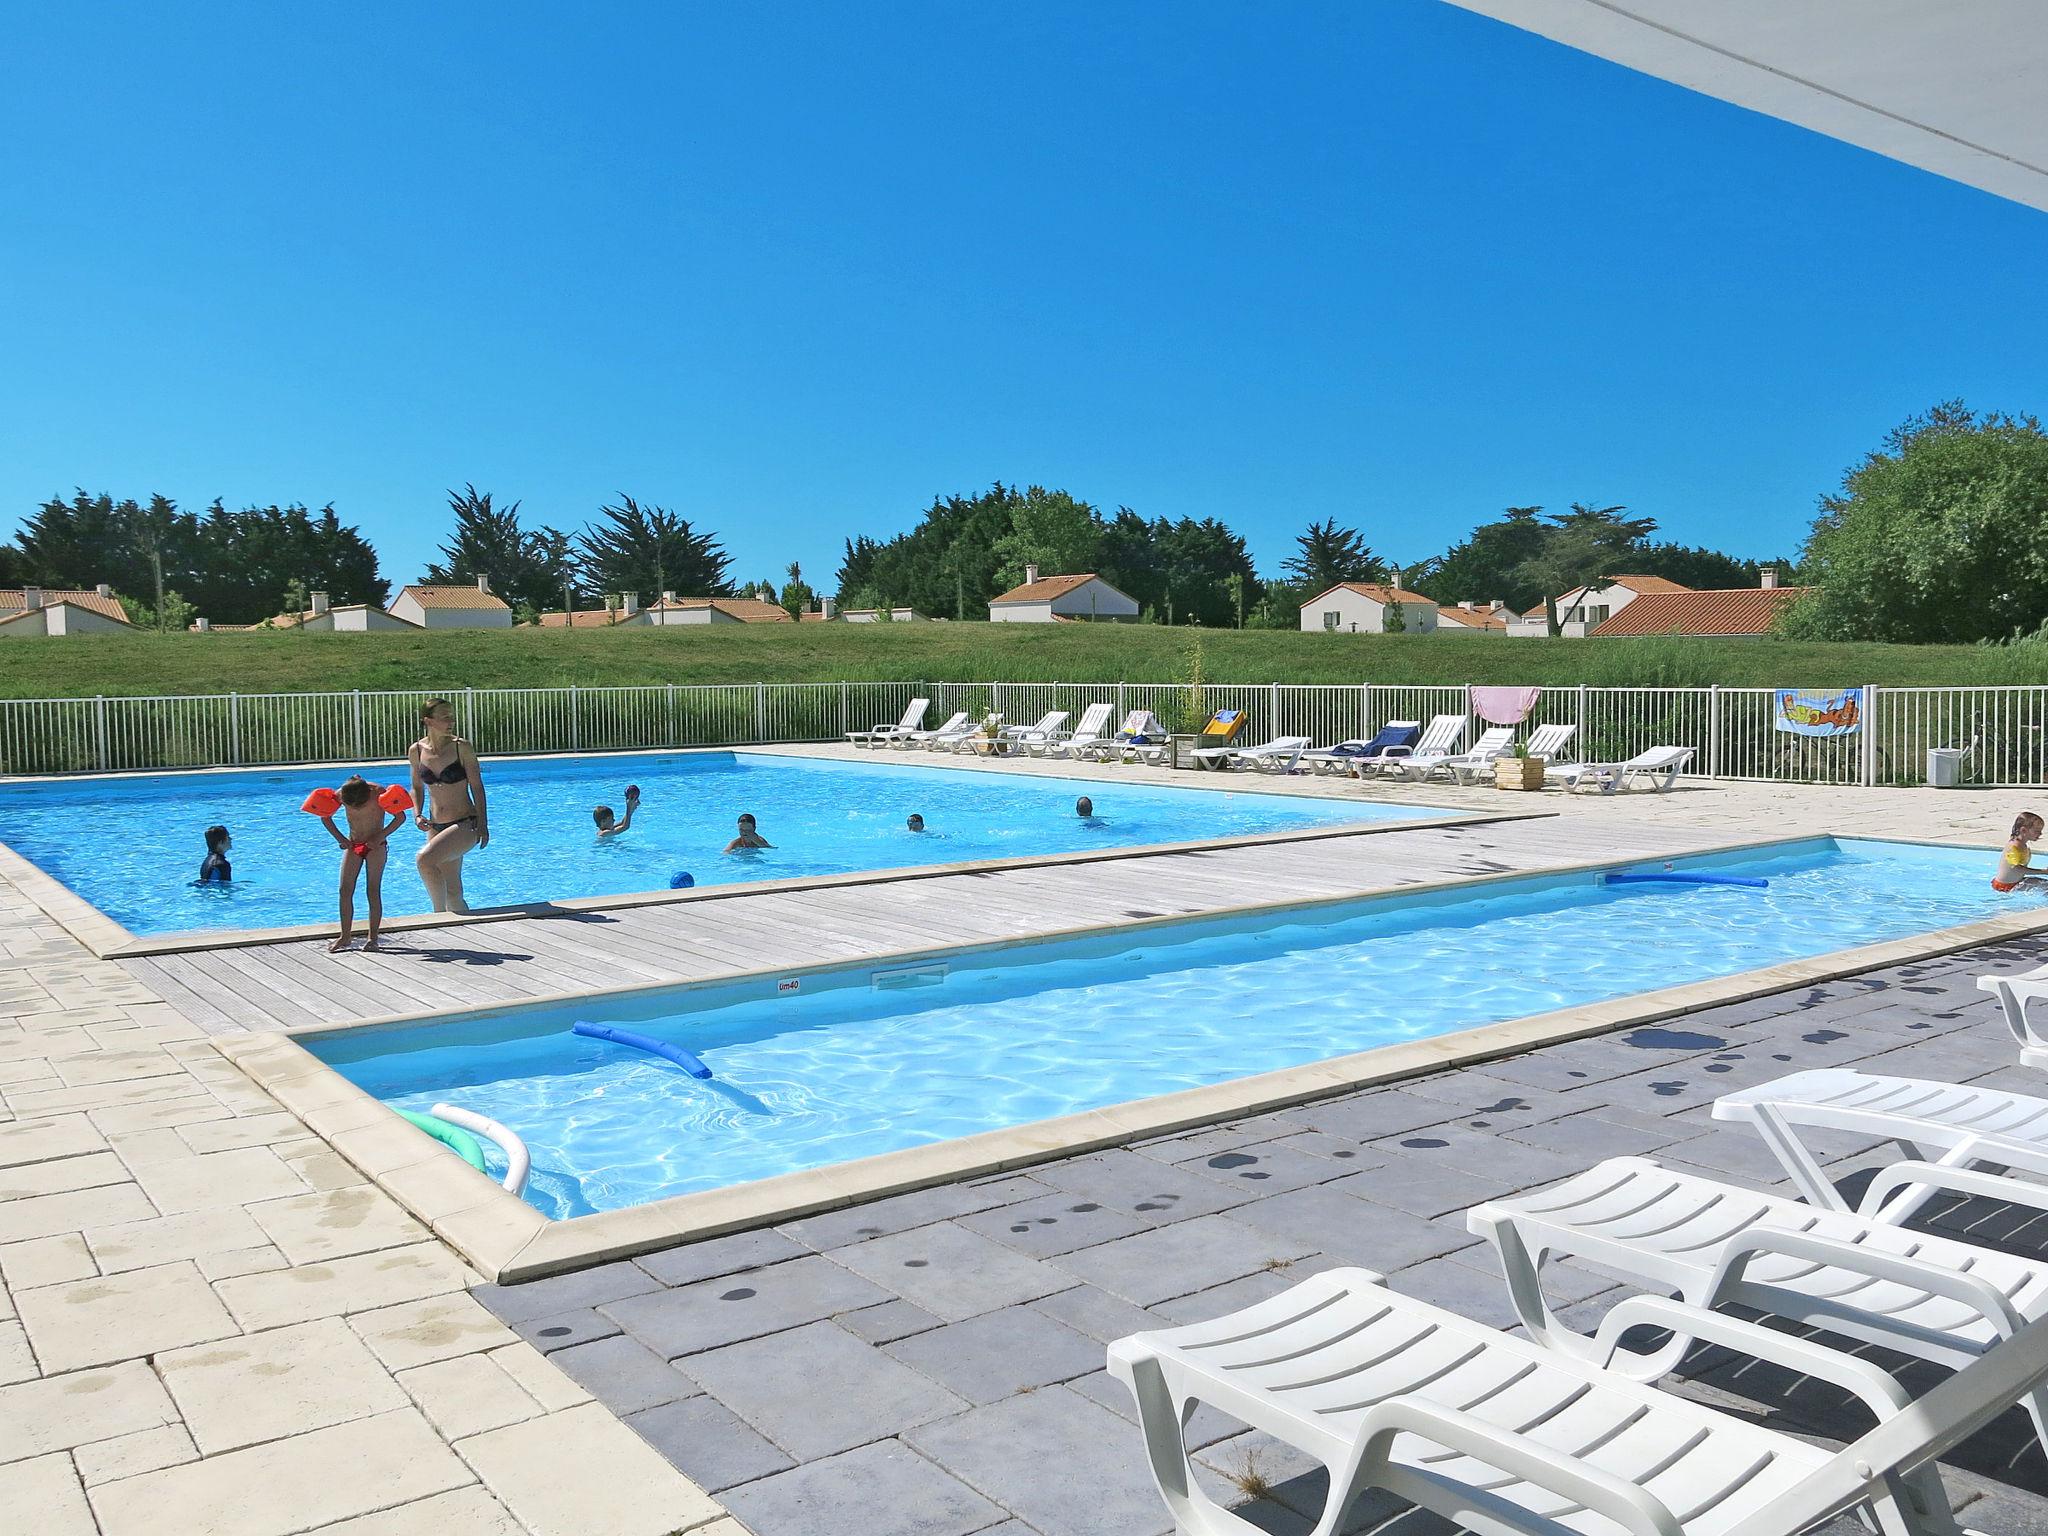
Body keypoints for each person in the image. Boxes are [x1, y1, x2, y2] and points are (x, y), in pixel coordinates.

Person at [410, 697, 489, 913]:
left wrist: (483, 824)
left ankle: (437, 918)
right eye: (444, 717)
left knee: (424, 860)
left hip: (465, 824)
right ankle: (465, 927)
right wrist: (417, 814)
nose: (450, 721)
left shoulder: (461, 747)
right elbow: (416, 787)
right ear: (428, 721)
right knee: (453, 895)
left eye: (451, 716)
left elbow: (477, 787)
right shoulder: (416, 750)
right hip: (436, 826)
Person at [319, 776, 407, 951]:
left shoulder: (379, 793)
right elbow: (325, 817)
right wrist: (341, 839)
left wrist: (380, 835)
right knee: (344, 890)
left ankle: (372, 939)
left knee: (372, 890)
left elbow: (400, 817)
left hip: (376, 846)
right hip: (353, 845)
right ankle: (345, 937)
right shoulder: (341, 794)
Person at [1993, 812, 2046, 893]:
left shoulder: (2021, 844)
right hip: (2005, 887)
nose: (2040, 833)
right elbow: (2017, 869)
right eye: (2037, 831)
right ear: (2023, 830)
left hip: (2015, 882)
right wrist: (2043, 872)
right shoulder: (2014, 847)